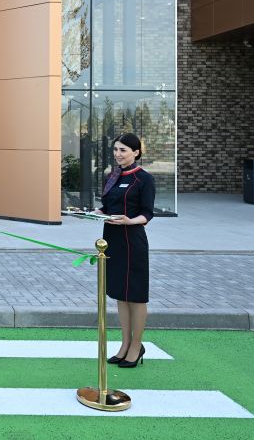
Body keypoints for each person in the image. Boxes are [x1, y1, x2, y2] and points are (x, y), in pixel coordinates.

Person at [96, 132, 155, 368]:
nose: (118, 154)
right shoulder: (113, 176)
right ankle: (125, 344)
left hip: (132, 241)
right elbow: (107, 206)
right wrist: (94, 213)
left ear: (136, 152)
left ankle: (136, 346)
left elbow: (147, 213)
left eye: (123, 150)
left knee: (136, 296)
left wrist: (130, 221)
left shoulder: (144, 179)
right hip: (112, 239)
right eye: (116, 149)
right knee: (120, 293)